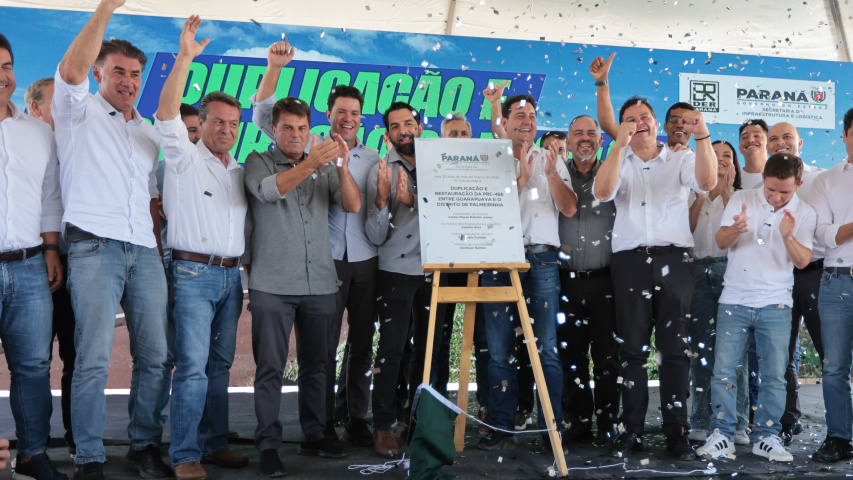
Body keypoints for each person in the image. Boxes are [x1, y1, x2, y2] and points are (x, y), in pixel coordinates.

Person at [54, 1, 170, 478]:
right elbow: (70, 71)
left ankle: (144, 447)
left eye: (135, 73)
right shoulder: (76, 110)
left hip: (144, 251)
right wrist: (106, 7)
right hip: (93, 248)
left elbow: (151, 198)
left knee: (156, 357)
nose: (128, 81)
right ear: (99, 73)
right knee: (93, 359)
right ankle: (89, 457)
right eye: (118, 71)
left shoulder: (147, 133)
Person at [592, 95, 717, 460]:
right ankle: (632, 430)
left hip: (674, 260)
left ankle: (677, 431)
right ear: (622, 126)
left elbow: (707, 182)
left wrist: (702, 136)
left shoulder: (681, 157)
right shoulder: (617, 158)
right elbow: (602, 192)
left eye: (644, 117)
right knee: (631, 349)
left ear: (656, 123)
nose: (639, 123)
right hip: (629, 262)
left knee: (674, 349)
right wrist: (619, 145)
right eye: (630, 119)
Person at [154, 17, 249, 480]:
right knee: (191, 367)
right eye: (218, 121)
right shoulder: (184, 159)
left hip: (233, 277)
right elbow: (166, 114)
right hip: (191, 275)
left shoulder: (239, 170)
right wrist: (185, 58)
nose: (226, 129)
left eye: (233, 123)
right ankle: (184, 455)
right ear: (202, 124)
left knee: (219, 366)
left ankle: (213, 444)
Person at [246, 90, 359, 475]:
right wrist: (312, 163)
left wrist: (341, 166)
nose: (295, 134)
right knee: (270, 368)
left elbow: (351, 204)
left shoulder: (324, 166)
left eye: (302, 128)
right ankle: (268, 445)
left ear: (310, 129)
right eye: (288, 128)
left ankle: (315, 435)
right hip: (272, 285)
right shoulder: (258, 161)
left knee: (318, 366)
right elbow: (270, 191)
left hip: (321, 284)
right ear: (274, 129)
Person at [696, 153, 815, 462]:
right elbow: (721, 242)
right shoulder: (741, 199)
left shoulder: (805, 212)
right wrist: (736, 228)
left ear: (798, 184)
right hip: (734, 299)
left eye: (784, 192)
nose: (775, 197)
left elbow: (803, 260)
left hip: (776, 303)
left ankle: (767, 437)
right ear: (763, 178)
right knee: (724, 371)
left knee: (774, 375)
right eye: (771, 189)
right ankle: (722, 434)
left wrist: (787, 236)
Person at [478, 94, 577, 454]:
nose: (527, 121)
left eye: (532, 115)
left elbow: (569, 208)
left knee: (547, 349)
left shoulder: (551, 158)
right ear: (505, 122)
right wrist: (519, 179)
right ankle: (502, 427)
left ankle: (550, 429)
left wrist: (550, 174)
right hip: (500, 263)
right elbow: (487, 209)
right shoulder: (490, 158)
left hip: (543, 262)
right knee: (499, 352)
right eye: (520, 115)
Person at [0, 33, 66, 480]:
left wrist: (50, 249)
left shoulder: (38, 133)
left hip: (28, 266)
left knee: (34, 366)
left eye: (7, 66)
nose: (3, 76)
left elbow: (49, 197)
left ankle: (32, 455)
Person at [365, 102, 447, 459]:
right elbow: (375, 235)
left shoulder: (441, 166)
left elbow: (450, 215)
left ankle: (420, 422)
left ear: (420, 128)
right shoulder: (380, 170)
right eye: (396, 126)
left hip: (435, 272)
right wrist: (382, 200)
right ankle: (383, 426)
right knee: (392, 350)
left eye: (409, 123)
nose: (404, 131)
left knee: (431, 353)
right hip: (395, 271)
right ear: (388, 135)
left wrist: (413, 200)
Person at [556, 115, 620, 446]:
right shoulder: (556, 173)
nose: (585, 138)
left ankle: (609, 422)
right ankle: (579, 422)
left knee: (608, 357)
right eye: (578, 133)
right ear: (568, 141)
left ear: (600, 140)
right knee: (572, 355)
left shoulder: (615, 172)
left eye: (591, 133)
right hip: (564, 282)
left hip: (605, 281)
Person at [26, 76, 78, 456]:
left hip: (77, 266)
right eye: (56, 104)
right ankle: (36, 445)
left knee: (78, 357)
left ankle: (79, 440)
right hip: (32, 268)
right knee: (34, 362)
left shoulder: (79, 148)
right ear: (35, 108)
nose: (65, 111)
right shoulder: (19, 151)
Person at [685, 140, 750, 445]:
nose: (721, 160)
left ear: (735, 165)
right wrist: (702, 194)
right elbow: (683, 231)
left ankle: (736, 425)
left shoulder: (742, 198)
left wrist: (726, 194)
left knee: (734, 353)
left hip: (732, 274)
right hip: (696, 273)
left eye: (727, 156)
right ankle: (700, 420)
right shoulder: (690, 194)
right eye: (714, 156)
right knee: (701, 351)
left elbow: (745, 236)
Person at [765, 122, 826, 445]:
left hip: (815, 274)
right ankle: (787, 421)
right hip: (777, 277)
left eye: (787, 136)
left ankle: (840, 430)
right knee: (780, 354)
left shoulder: (821, 179)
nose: (780, 142)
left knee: (831, 353)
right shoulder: (762, 183)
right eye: (773, 138)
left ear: (800, 142)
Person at [809, 107, 853, 463]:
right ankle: (839, 437)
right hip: (837, 280)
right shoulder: (826, 181)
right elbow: (822, 235)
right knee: (835, 366)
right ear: (845, 135)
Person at [738, 119, 769, 189]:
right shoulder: (732, 180)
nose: (750, 140)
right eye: (745, 137)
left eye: (757, 136)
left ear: (769, 144)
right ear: (740, 148)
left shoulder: (782, 177)